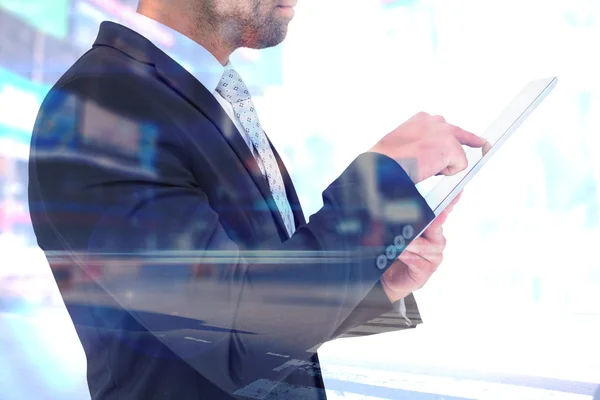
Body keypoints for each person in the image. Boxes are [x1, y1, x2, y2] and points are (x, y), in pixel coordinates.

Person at [28, 0, 485, 399]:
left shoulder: (199, 95)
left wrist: (379, 284)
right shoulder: (100, 106)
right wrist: (383, 182)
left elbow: (266, 307)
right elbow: (232, 337)